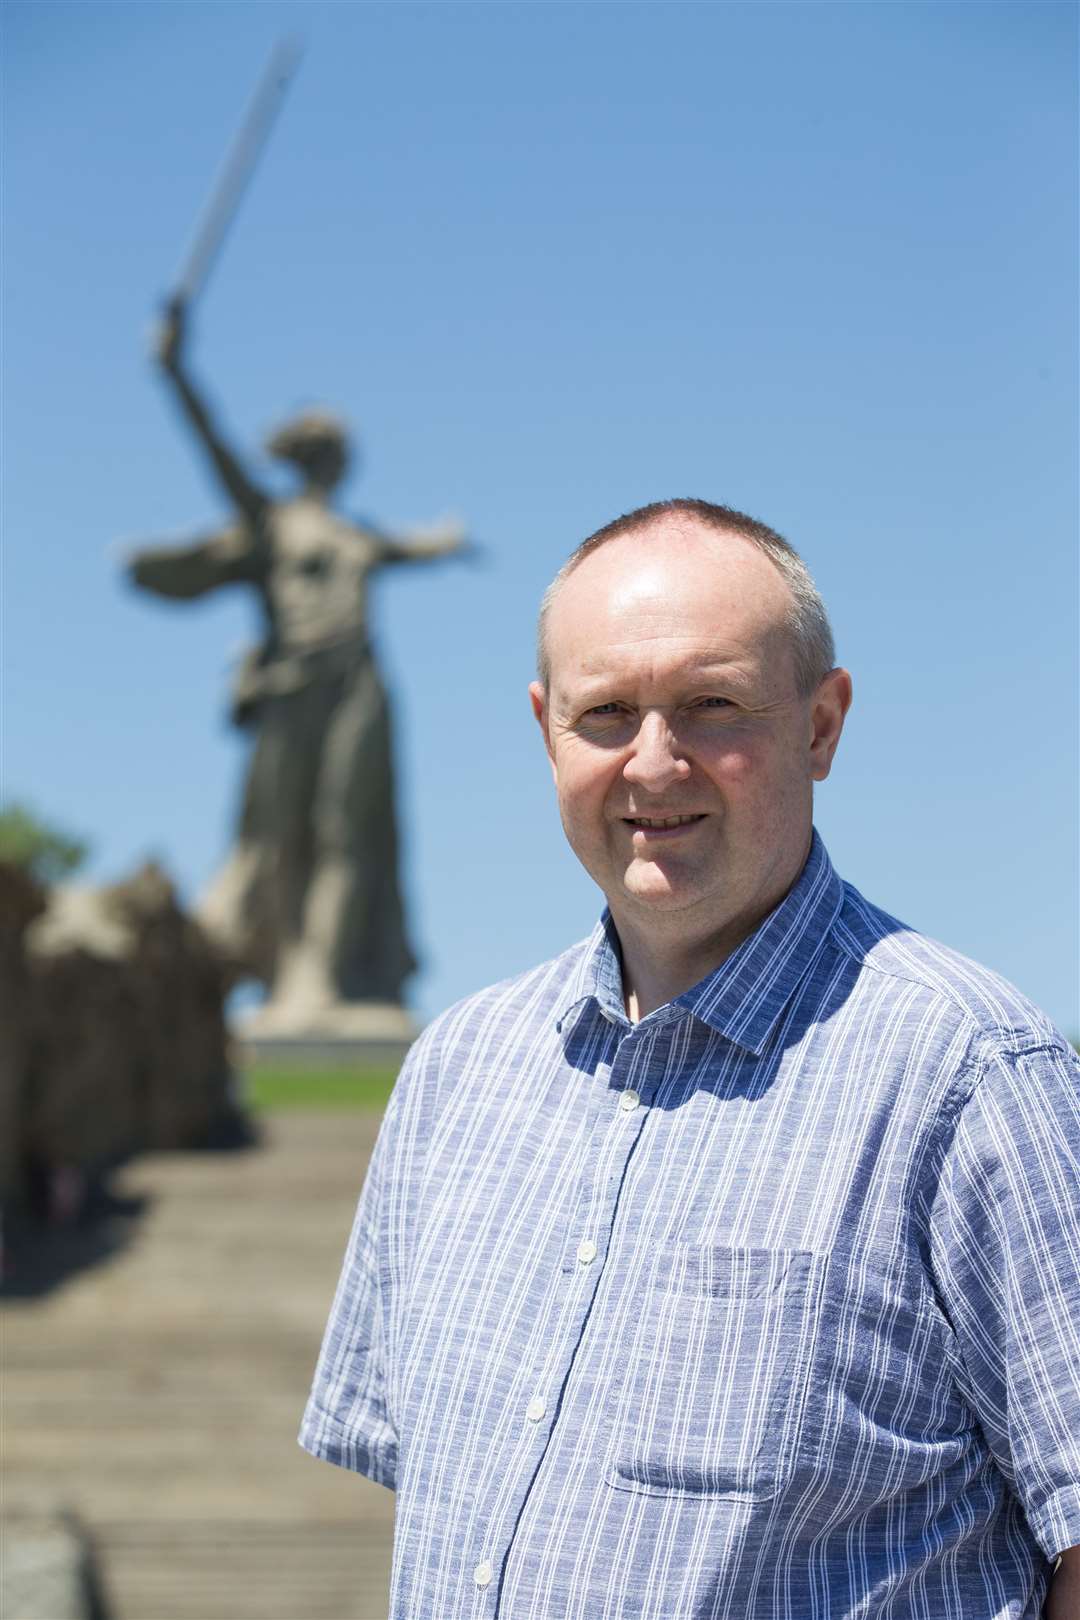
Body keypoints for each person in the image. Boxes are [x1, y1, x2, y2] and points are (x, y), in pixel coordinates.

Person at [300, 498, 1080, 1617]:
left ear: (821, 725)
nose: (654, 765)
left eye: (712, 707)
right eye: (606, 714)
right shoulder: (454, 1077)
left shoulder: (972, 1077)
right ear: (544, 729)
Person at [127, 304, 470, 1029]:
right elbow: (213, 447)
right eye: (324, 451)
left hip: (359, 684)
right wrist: (175, 370)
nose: (333, 462)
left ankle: (329, 977)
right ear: (305, 458)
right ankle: (289, 974)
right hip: (293, 686)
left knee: (352, 830)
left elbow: (414, 547)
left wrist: (447, 542)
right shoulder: (270, 521)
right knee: (281, 836)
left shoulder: (356, 534)